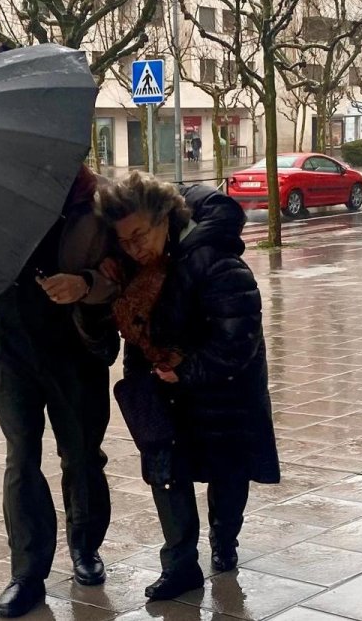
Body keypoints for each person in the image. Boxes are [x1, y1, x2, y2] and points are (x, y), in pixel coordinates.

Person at [96, 173, 280, 601]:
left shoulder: (215, 260)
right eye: (123, 242)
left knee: (228, 476)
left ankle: (224, 540)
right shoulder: (137, 270)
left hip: (224, 394)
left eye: (139, 236)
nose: (133, 248)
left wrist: (190, 368)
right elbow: (137, 336)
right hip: (165, 390)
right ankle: (179, 565)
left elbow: (240, 339)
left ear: (165, 218)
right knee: (166, 475)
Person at [0, 164, 120, 618]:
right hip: (9, 345)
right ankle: (27, 574)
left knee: (81, 453)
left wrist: (85, 285)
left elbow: (124, 268)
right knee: (21, 457)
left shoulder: (94, 201)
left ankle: (85, 547)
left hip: (73, 347)